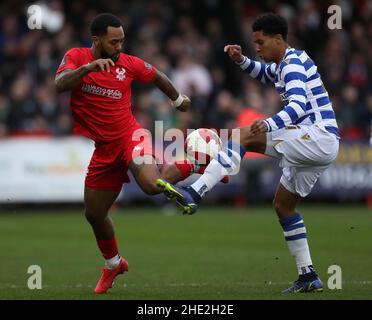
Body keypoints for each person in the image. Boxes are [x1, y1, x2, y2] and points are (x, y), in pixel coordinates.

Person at [157, 13, 340, 293]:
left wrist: (268, 123)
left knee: (240, 135)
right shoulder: (283, 63)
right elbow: (263, 72)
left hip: (316, 135)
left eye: (260, 42)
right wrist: (241, 60)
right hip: (319, 143)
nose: (256, 47)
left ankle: (195, 192)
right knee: (284, 206)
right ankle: (308, 275)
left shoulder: (291, 65)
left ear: (278, 39)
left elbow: (299, 106)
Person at [55, 13, 203, 294]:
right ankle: (113, 264)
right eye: (114, 42)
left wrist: (177, 99)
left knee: (150, 185)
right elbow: (59, 84)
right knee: (94, 214)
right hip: (104, 149)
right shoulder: (76, 56)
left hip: (131, 137)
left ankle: (195, 161)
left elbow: (157, 74)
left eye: (122, 40)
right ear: (96, 40)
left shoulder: (128, 63)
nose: (120, 47)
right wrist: (88, 69)